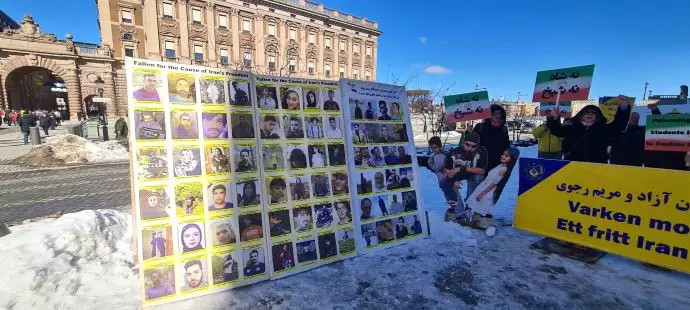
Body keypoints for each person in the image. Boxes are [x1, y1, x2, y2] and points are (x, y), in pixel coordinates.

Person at [547, 103, 631, 163]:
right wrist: (554, 118)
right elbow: (556, 130)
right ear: (581, 114)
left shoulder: (603, 128)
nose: (590, 114)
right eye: (587, 112)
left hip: (596, 168)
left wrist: (624, 108)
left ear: (598, 116)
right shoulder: (571, 126)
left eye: (594, 113)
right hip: (572, 166)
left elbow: (619, 126)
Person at [465, 147, 520, 228]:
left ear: (512, 159)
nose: (503, 156)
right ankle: (473, 221)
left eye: (507, 156)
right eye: (503, 154)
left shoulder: (503, 169)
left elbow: (494, 183)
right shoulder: (500, 165)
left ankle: (480, 223)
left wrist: (482, 193)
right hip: (484, 186)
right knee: (476, 205)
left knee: (481, 206)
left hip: (488, 190)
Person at [441, 132, 488, 221]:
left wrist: (461, 169)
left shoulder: (481, 151)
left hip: (472, 174)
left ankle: (470, 206)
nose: (470, 148)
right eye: (467, 145)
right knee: (445, 184)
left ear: (477, 146)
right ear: (463, 142)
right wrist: (453, 180)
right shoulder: (454, 152)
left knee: (478, 177)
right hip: (458, 175)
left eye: (473, 146)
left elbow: (482, 171)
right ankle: (459, 211)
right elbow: (447, 169)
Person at [473, 104, 510, 172]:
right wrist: (467, 132)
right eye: (494, 114)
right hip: (479, 165)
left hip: (497, 166)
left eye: (499, 114)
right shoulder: (480, 127)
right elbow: (471, 143)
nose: (497, 116)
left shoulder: (503, 129)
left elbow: (506, 146)